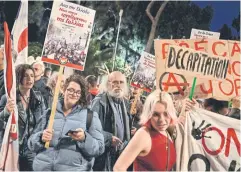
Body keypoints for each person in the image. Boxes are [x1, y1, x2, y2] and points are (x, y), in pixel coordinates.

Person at [28, 74, 105, 171]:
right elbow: (31, 143)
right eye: (71, 90)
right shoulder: (49, 113)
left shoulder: (90, 116)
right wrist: (40, 138)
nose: (74, 94)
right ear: (64, 90)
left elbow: (100, 148)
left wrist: (84, 138)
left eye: (78, 92)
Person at [113, 89, 196, 171]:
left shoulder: (166, 130)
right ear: (149, 114)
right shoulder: (144, 134)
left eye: (166, 113)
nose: (162, 120)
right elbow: (118, 168)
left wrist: (189, 108)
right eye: (155, 114)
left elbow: (180, 124)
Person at [0, 64, 45, 171]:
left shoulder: (39, 98)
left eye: (32, 76)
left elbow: (43, 122)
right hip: (12, 147)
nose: (29, 79)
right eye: (25, 76)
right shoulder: (8, 97)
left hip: (32, 148)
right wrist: (5, 112)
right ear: (18, 77)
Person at [91, 71, 132, 171]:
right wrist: (109, 138)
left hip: (120, 156)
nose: (118, 85)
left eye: (121, 82)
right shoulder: (99, 101)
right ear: (108, 83)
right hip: (103, 158)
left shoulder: (125, 103)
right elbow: (91, 128)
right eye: (115, 82)